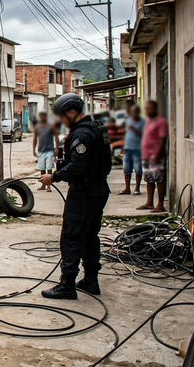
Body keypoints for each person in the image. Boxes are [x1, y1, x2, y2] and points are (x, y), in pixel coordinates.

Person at [39, 93, 111, 299]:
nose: (61, 120)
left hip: (84, 192)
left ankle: (67, 285)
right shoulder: (93, 129)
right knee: (89, 237)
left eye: (62, 116)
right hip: (97, 190)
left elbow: (78, 166)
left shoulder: (83, 135)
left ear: (72, 112)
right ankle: (90, 281)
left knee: (71, 237)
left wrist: (53, 177)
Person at [137, 100, 168, 213]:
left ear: (155, 109)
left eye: (150, 108)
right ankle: (149, 203)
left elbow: (162, 139)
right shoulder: (148, 122)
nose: (148, 111)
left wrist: (156, 155)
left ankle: (160, 204)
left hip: (156, 156)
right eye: (146, 108)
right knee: (149, 179)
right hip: (146, 155)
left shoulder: (160, 122)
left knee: (158, 179)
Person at [120, 105, 145, 196]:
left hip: (137, 149)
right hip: (127, 148)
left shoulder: (142, 122)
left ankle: (137, 188)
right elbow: (126, 134)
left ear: (138, 112)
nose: (134, 113)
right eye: (132, 111)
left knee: (138, 169)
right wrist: (122, 147)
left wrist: (133, 129)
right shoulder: (128, 121)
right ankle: (127, 188)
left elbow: (144, 135)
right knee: (126, 169)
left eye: (135, 111)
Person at [32, 111, 59, 192]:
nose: (42, 117)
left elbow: (56, 137)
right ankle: (43, 184)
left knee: (49, 168)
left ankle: (49, 185)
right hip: (41, 151)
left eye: (43, 116)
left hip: (50, 150)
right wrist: (33, 149)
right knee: (42, 169)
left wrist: (57, 148)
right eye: (40, 116)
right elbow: (35, 139)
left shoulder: (51, 125)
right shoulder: (37, 127)